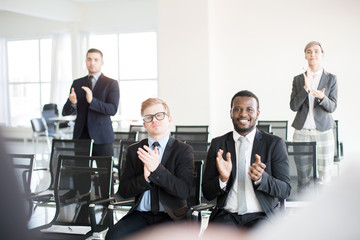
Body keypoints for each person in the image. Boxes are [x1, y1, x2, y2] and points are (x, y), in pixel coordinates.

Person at [105, 98, 194, 240]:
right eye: (149, 117)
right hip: (140, 215)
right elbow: (124, 191)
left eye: (159, 115)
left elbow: (184, 191)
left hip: (171, 217)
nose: (154, 120)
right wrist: (145, 178)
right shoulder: (134, 150)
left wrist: (157, 170)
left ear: (169, 119)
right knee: (113, 236)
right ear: (144, 124)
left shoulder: (183, 150)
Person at [202, 90, 291, 230]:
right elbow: (207, 193)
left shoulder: (274, 144)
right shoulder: (218, 144)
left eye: (249, 109)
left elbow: (285, 190)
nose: (243, 114)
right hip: (226, 216)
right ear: (231, 113)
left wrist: (262, 179)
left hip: (262, 217)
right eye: (237, 109)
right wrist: (222, 179)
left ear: (257, 114)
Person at [290, 41, 338, 191]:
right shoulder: (298, 79)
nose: (313, 54)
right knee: (302, 177)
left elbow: (333, 107)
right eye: (309, 52)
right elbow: (293, 106)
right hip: (301, 133)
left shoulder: (331, 78)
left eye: (316, 51)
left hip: (324, 131)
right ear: (305, 55)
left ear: (322, 55)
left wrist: (323, 98)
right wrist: (305, 88)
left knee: (325, 178)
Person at [62, 48, 119, 157]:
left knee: (104, 173)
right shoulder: (77, 83)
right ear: (86, 61)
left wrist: (93, 101)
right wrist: (72, 103)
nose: (92, 62)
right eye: (89, 59)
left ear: (102, 63)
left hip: (102, 138)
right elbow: (65, 112)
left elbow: (112, 109)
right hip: (81, 137)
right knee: (81, 173)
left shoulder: (111, 83)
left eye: (96, 60)